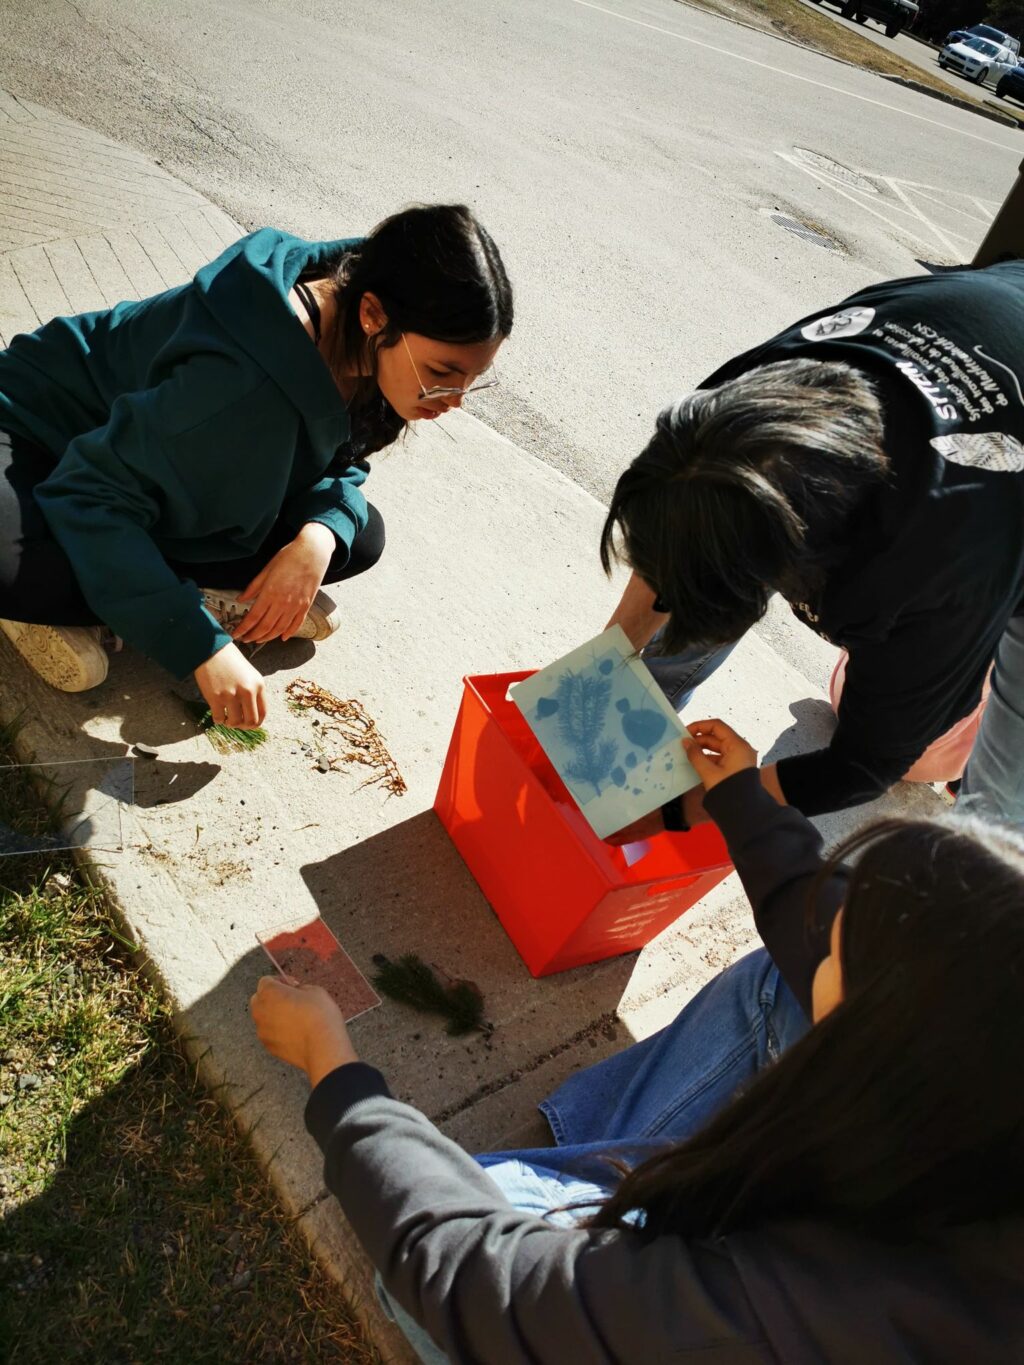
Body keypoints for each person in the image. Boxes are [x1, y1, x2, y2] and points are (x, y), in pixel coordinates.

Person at [251, 721, 1024, 1364]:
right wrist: (739, 799)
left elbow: (472, 1278)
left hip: (698, 1315)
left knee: (427, 1247)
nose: (820, 945)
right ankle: (596, 1152)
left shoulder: (791, 1311)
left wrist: (337, 1073)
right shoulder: (982, 1084)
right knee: (776, 983)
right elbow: (810, 930)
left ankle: (586, 1190)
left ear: (897, 1055)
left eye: (840, 955)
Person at [0, 204, 512, 727]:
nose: (455, 399)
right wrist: (203, 648)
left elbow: (341, 462)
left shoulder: (365, 320)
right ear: (373, 316)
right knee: (8, 565)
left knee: (356, 538)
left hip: (147, 467)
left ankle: (129, 592)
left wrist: (317, 537)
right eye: (443, 373)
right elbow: (86, 493)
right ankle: (123, 601)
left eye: (474, 378)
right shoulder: (238, 383)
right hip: (31, 435)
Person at [601, 263, 1024, 831]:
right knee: (708, 565)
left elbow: (863, 767)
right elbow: (682, 535)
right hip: (992, 319)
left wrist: (675, 814)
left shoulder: (932, 567)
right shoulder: (733, 407)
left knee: (978, 780)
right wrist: (609, 666)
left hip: (990, 524)